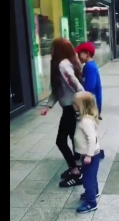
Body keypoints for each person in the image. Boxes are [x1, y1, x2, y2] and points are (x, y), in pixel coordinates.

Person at [40, 38, 84, 187]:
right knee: (73, 138)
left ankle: (76, 171)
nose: (50, 50)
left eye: (52, 47)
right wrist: (48, 106)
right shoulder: (67, 62)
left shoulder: (63, 64)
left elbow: (74, 83)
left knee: (61, 141)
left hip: (72, 108)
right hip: (70, 108)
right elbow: (57, 90)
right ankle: (76, 168)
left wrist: (84, 100)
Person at [72, 91, 101, 213]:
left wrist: (89, 155)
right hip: (89, 154)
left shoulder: (86, 121)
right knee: (91, 176)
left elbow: (92, 138)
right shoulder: (83, 118)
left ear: (81, 105)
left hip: (91, 155)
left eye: (75, 103)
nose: (73, 105)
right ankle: (94, 192)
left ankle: (91, 203)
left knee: (88, 179)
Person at [75, 42, 103, 120]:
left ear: (87, 54)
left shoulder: (89, 67)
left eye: (79, 53)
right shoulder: (90, 65)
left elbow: (90, 87)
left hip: (91, 105)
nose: (78, 56)